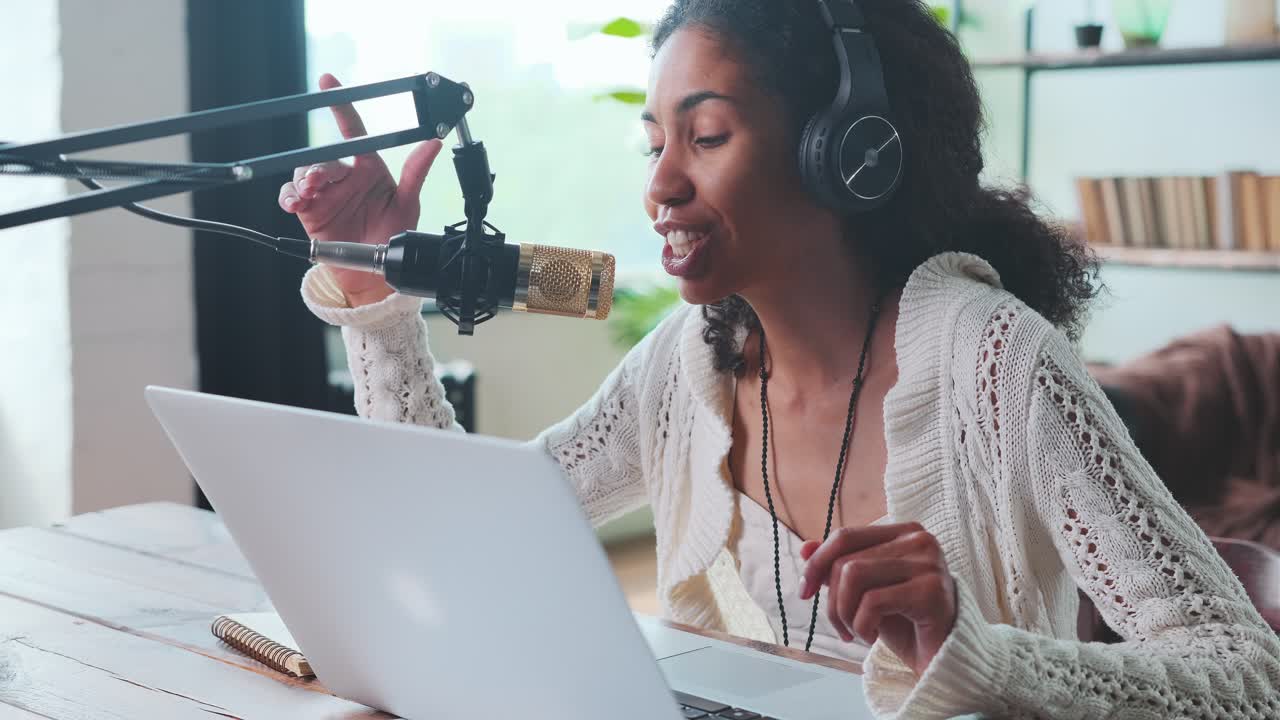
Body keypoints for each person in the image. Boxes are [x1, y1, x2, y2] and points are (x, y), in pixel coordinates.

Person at [278, 0, 1280, 716]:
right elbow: (455, 525)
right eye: (651, 144)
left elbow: (1241, 677)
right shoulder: (684, 363)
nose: (660, 185)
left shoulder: (995, 365)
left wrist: (974, 655)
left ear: (843, 151)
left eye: (705, 136)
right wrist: (371, 295)